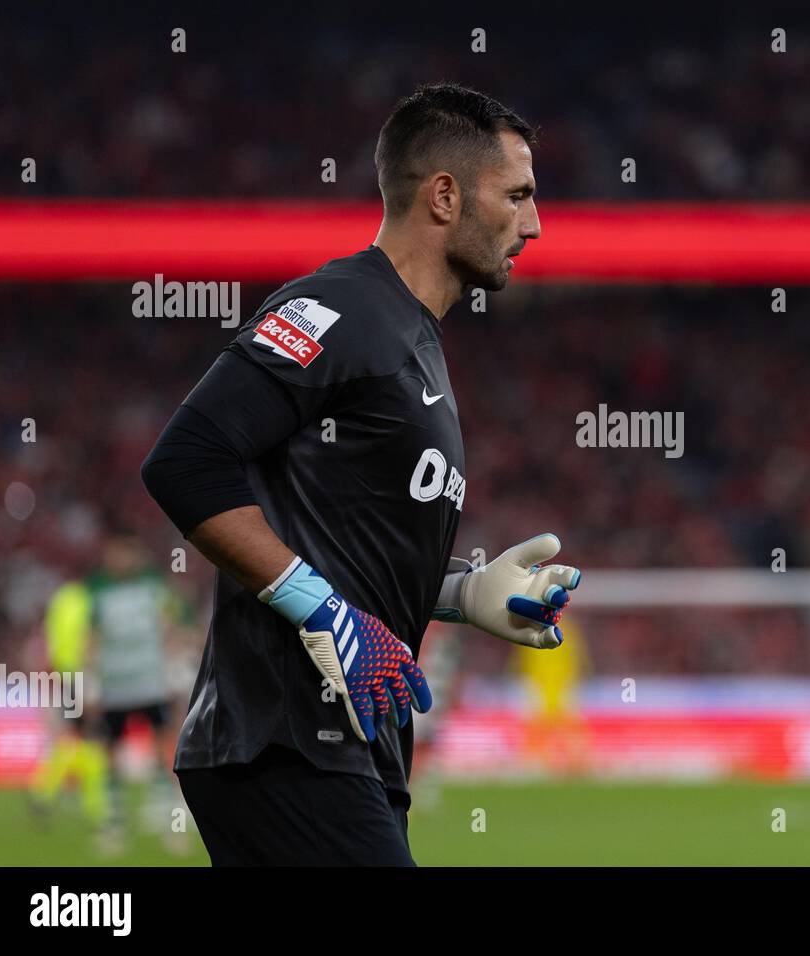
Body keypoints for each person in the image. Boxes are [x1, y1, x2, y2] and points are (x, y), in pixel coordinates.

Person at [141, 82, 582, 866]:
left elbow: (345, 544)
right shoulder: (341, 309)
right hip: (282, 742)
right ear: (444, 196)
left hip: (351, 750)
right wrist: (320, 611)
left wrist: (460, 594)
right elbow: (186, 460)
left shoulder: (415, 342)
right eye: (516, 196)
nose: (534, 223)